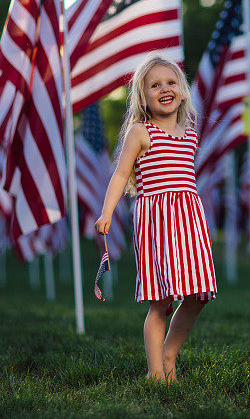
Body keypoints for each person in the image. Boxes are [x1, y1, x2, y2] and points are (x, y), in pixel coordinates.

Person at [95, 55, 217, 381]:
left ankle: (168, 354)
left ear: (183, 90)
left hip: (189, 221)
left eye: (171, 82)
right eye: (155, 85)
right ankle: (156, 373)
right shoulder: (141, 131)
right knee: (159, 302)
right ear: (143, 96)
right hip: (157, 224)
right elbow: (121, 174)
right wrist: (107, 212)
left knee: (199, 295)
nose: (164, 88)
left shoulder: (189, 133)